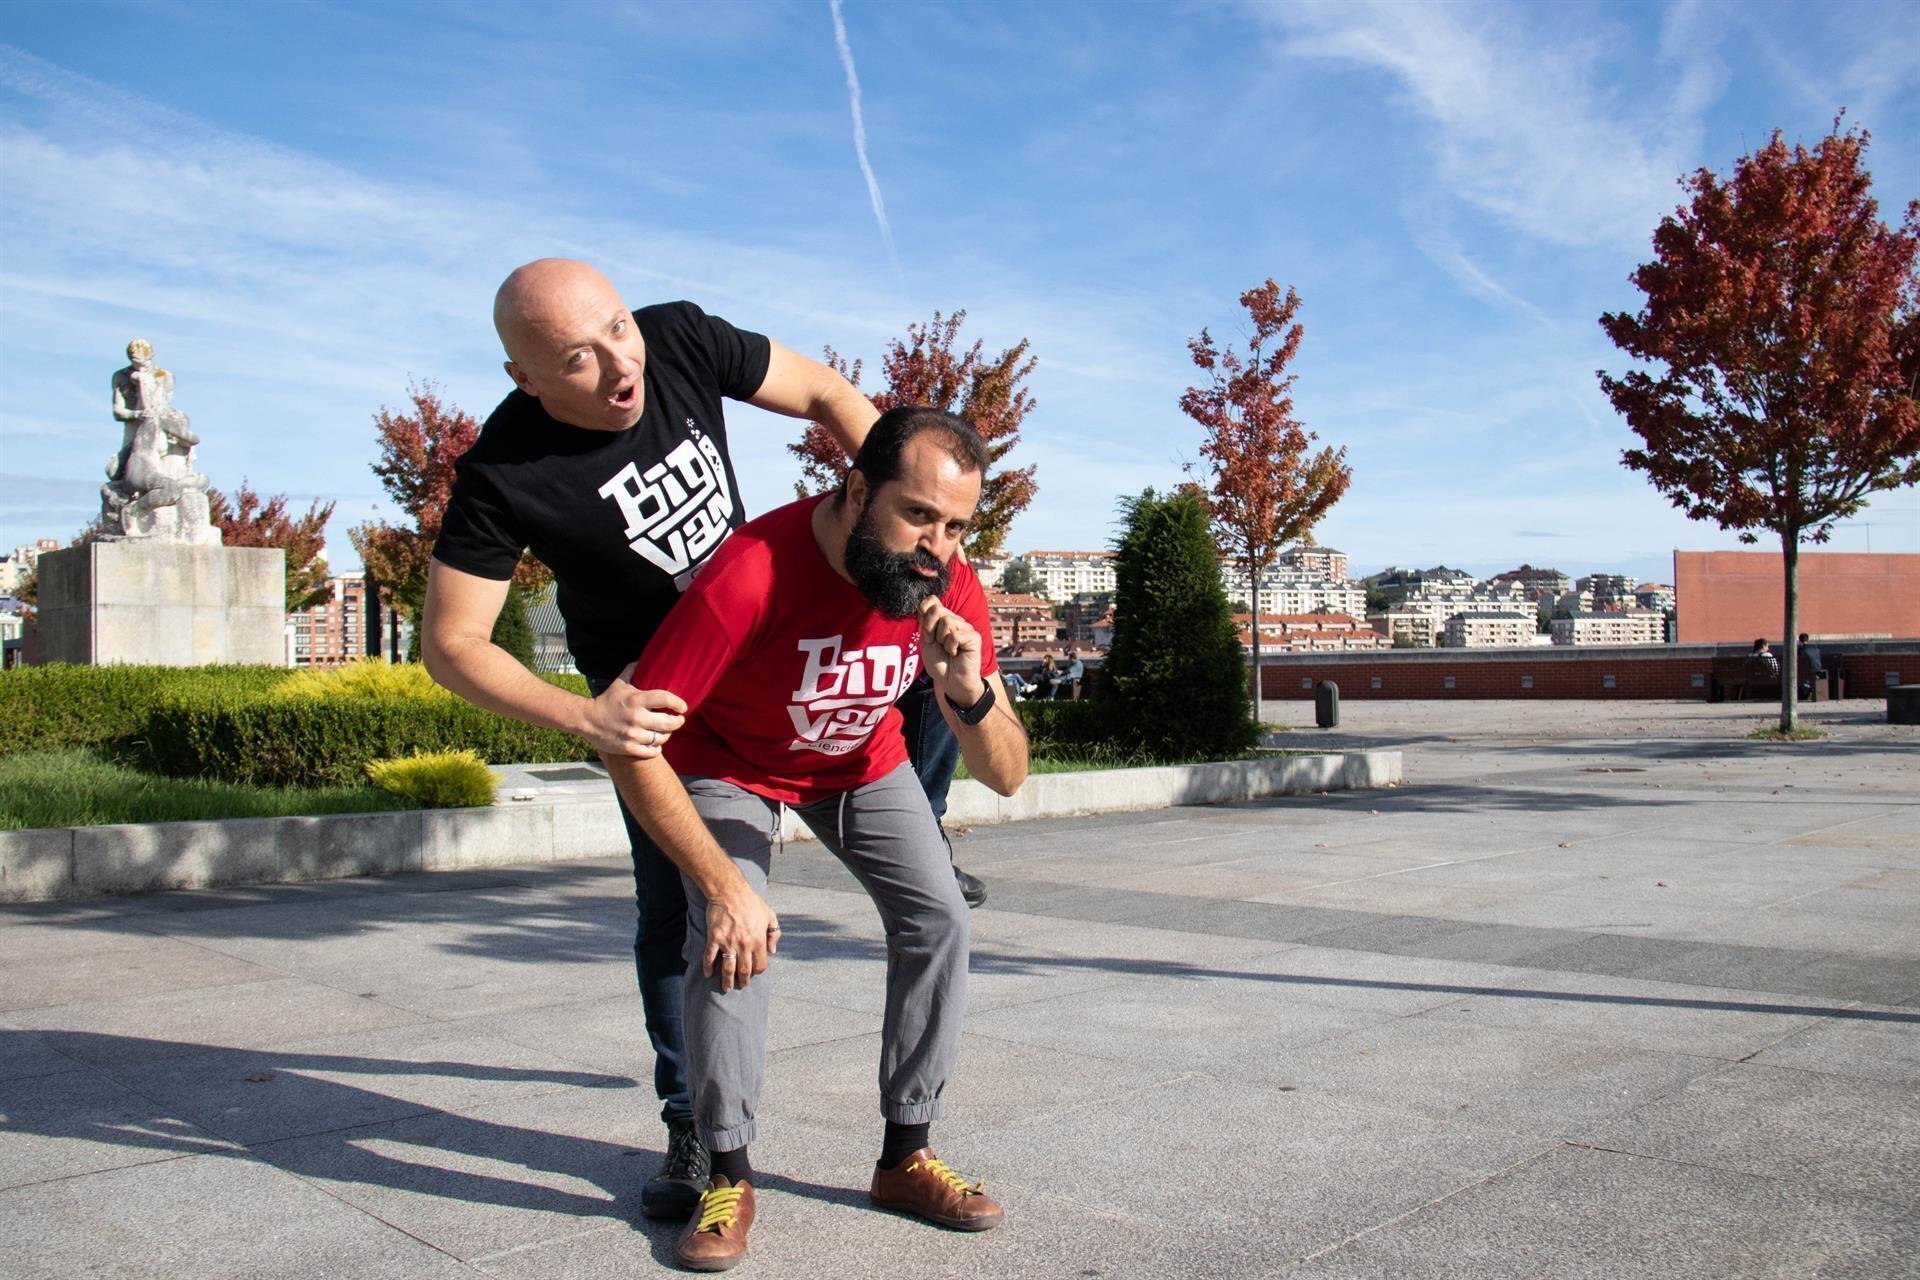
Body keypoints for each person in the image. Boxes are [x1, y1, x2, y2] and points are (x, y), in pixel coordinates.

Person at [425, 259, 883, 1221]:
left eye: (617, 329)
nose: (619, 366)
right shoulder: (504, 470)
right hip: (653, 705)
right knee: (677, 908)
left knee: (895, 719)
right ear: (525, 379)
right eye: (576, 360)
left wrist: (898, 511)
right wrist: (588, 718)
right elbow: (452, 645)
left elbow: (830, 395)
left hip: (757, 651)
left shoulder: (677, 336)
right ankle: (695, 1126)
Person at [603, 407, 1027, 1270]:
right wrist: (724, 884)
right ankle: (728, 1172)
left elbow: (1008, 773)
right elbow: (629, 743)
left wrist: (968, 690)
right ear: (858, 491)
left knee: (941, 916)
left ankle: (905, 1157)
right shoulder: (749, 574)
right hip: (727, 761)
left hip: (859, 763)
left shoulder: (946, 585)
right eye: (917, 515)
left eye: (955, 527)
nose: (936, 548)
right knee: (733, 932)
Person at [1797, 633, 1826, 698]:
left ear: (1800, 641)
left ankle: (1805, 692)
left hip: (1806, 672)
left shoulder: (1801, 649)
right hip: (1817, 670)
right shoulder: (1815, 648)